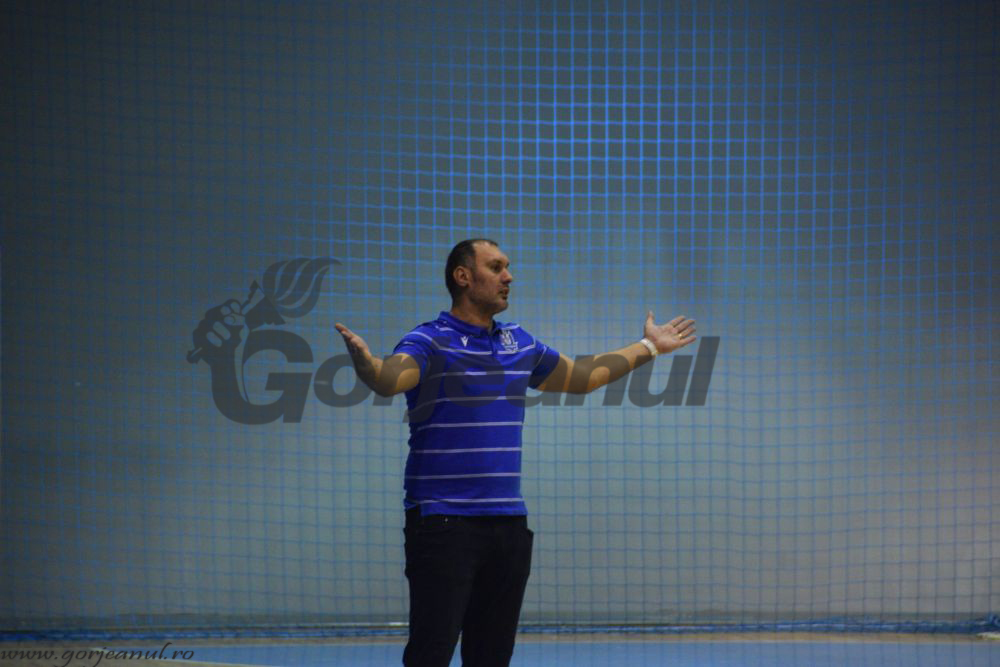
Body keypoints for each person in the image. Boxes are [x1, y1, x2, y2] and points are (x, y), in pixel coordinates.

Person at [335, 238, 696, 667]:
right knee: (431, 654)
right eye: (496, 267)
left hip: (508, 527)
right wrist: (368, 365)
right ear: (463, 277)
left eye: (507, 267)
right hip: (444, 525)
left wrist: (650, 346)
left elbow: (583, 376)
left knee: (492, 656)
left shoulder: (519, 342)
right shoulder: (428, 340)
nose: (508, 276)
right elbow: (391, 379)